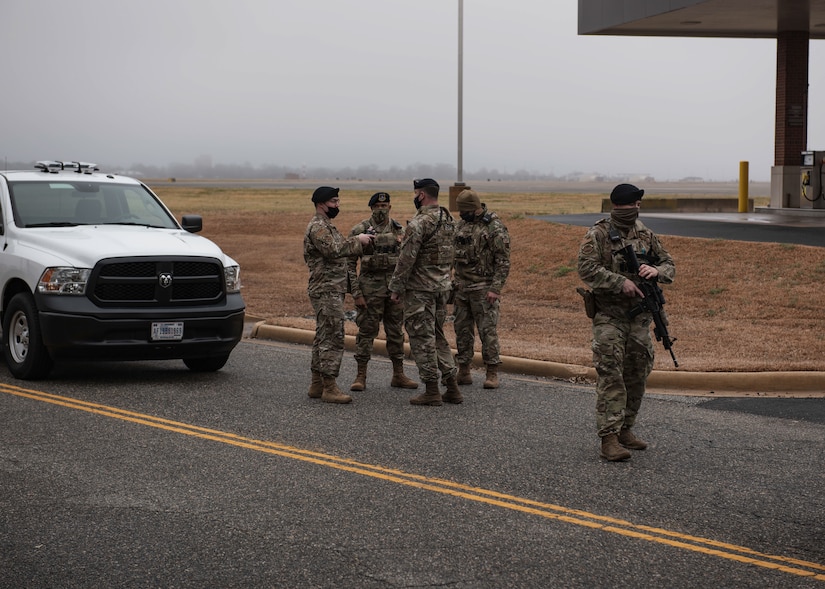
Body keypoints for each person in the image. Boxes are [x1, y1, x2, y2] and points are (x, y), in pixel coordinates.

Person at [577, 183, 675, 461]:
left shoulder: (645, 234)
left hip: (640, 319)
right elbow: (586, 269)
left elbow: (669, 263)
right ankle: (608, 438)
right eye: (634, 204)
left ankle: (625, 430)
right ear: (625, 205)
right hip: (610, 316)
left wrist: (656, 270)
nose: (637, 208)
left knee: (637, 375)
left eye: (638, 205)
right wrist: (619, 282)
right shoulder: (597, 234)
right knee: (611, 375)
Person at [389, 179, 461, 406]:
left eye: (415, 194)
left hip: (421, 291)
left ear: (421, 195)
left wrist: (396, 288)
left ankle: (431, 390)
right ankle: (452, 387)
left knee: (422, 339)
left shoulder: (419, 223)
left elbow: (406, 259)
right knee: (438, 336)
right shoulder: (449, 220)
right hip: (441, 289)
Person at [304, 186, 375, 404]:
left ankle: (317, 384)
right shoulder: (318, 227)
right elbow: (333, 250)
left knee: (323, 335)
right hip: (326, 289)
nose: (337, 205)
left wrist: (364, 242)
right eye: (334, 201)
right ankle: (329, 386)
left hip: (331, 288)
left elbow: (339, 250)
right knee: (333, 337)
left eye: (337, 201)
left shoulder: (327, 226)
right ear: (321, 204)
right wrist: (358, 240)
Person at [347, 192, 418, 392]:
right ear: (371, 208)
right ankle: (360, 375)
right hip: (370, 291)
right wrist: (356, 292)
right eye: (377, 206)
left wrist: (403, 288)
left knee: (395, 332)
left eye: (384, 205)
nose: (381, 209)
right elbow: (349, 265)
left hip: (393, 291)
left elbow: (406, 261)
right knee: (366, 332)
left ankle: (399, 374)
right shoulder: (360, 230)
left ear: (390, 207)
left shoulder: (399, 230)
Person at [452, 189, 511, 389]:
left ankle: (492, 371)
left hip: (484, 288)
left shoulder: (493, 227)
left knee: (487, 331)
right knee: (462, 330)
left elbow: (503, 261)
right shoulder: (462, 225)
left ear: (474, 208)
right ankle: (464, 370)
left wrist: (495, 288)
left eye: (463, 210)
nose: (460, 214)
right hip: (461, 288)